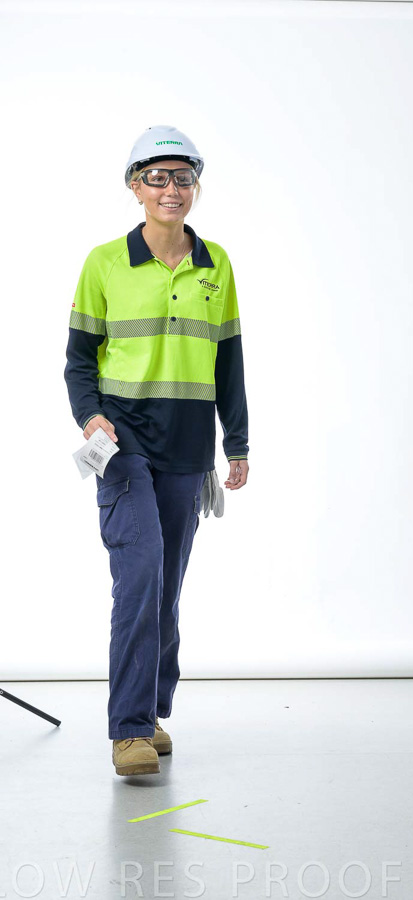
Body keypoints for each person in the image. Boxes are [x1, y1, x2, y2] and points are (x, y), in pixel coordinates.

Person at [64, 125, 249, 777]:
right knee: (140, 573)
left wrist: (237, 443)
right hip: (123, 444)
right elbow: (78, 360)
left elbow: (229, 363)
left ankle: (151, 712)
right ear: (135, 186)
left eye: (183, 177)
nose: (171, 189)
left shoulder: (216, 265)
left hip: (189, 448)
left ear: (196, 186)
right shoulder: (104, 263)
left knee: (166, 587)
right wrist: (91, 417)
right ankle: (129, 731)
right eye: (157, 177)